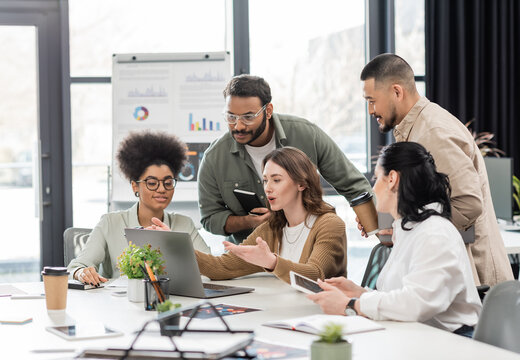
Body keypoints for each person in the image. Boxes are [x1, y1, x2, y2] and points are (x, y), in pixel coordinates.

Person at [359, 53, 513, 287]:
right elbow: (428, 203)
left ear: (397, 92)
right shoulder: (415, 128)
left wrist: (403, 228)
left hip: (474, 277)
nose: (370, 110)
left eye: (372, 100)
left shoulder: (433, 132)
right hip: (450, 270)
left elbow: (468, 205)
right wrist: (389, 220)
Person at [308, 142, 482, 337]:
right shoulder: (409, 230)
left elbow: (416, 304)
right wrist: (360, 293)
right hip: (420, 336)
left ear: (392, 179)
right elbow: (401, 297)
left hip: (452, 342)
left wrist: (352, 305)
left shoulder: (435, 233)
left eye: (376, 178)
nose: (373, 187)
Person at [197, 74, 374, 244]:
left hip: (307, 248)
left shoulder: (306, 135)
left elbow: (354, 185)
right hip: (251, 255)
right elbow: (210, 218)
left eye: (248, 117)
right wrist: (248, 222)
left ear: (268, 111)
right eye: (231, 117)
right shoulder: (214, 158)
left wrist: (377, 223)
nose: (239, 126)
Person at [153, 147, 347, 282]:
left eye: (276, 180)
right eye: (265, 180)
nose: (268, 188)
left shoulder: (329, 224)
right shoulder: (272, 228)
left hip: (321, 320)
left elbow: (315, 275)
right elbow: (222, 267)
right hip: (285, 313)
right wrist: (175, 244)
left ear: (302, 184)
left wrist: (271, 262)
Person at [67, 130, 210, 285]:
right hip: (119, 303)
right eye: (152, 183)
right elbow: (76, 267)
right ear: (135, 186)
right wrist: (81, 272)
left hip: (171, 303)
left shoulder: (184, 224)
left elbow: (211, 267)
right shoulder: (110, 222)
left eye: (168, 182)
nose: (162, 189)